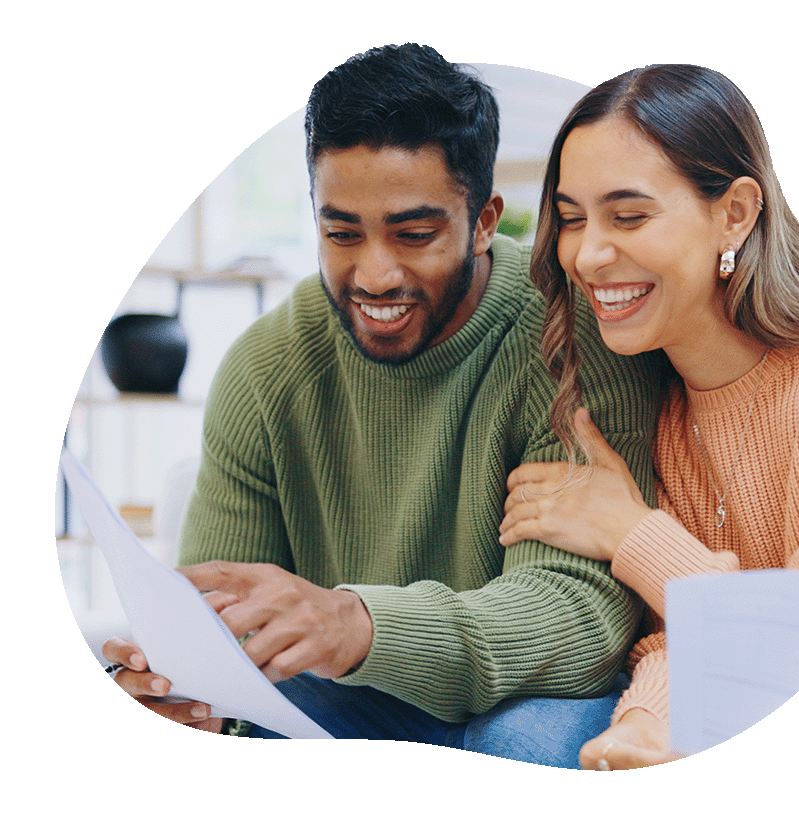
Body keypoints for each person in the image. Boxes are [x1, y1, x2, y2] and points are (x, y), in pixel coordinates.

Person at [102, 44, 664, 768]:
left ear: (486, 219)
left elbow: (577, 620)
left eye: (413, 234)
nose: (374, 273)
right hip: (352, 694)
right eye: (341, 233)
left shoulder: (567, 332)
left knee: (522, 744)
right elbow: (224, 623)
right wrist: (181, 691)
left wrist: (362, 624)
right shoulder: (265, 367)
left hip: (533, 699)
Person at [498, 64, 799, 769]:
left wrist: (632, 533)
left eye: (628, 216)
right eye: (571, 219)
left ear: (736, 213)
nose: (588, 254)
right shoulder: (653, 394)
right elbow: (677, 636)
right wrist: (641, 728)